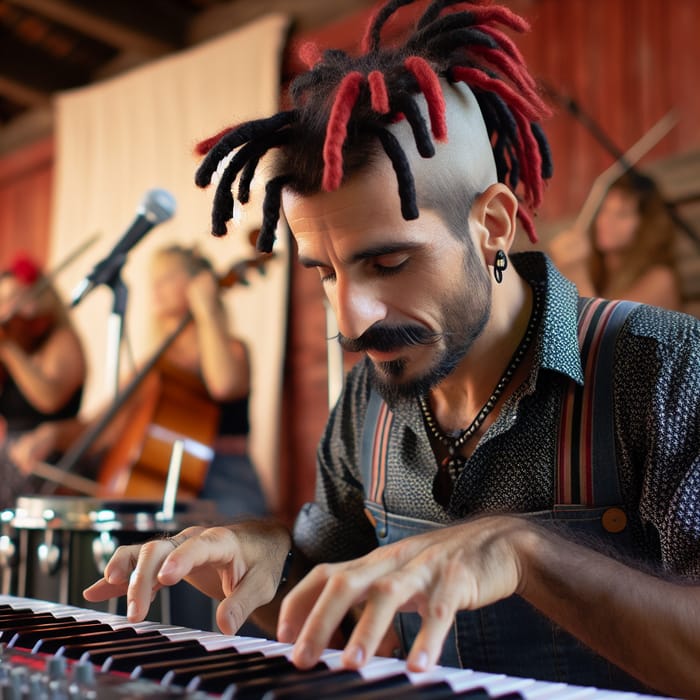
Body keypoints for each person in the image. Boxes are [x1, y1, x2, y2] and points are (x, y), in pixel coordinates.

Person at [81, 2, 700, 697]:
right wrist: (263, 562)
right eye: (324, 271)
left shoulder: (660, 370)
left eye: (390, 263)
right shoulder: (368, 401)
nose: (351, 319)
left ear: (492, 225)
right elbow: (337, 630)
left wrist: (531, 555)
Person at [10, 245, 267, 519]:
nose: (156, 287)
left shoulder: (234, 350)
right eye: (154, 279)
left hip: (226, 481)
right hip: (164, 483)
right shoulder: (153, 366)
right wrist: (52, 435)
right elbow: (100, 427)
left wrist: (207, 309)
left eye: (168, 277)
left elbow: (224, 385)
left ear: (197, 282)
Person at [0, 253, 86, 508]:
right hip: (12, 457)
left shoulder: (60, 340)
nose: (6, 309)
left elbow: (49, 399)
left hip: (51, 462)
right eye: (1, 301)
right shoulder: (16, 346)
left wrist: (8, 350)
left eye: (13, 299)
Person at [549, 171, 683, 310]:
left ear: (646, 224)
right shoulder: (601, 274)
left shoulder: (661, 280)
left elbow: (604, 328)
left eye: (622, 214)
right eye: (604, 210)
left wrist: (576, 274)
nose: (607, 221)